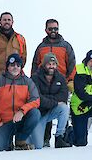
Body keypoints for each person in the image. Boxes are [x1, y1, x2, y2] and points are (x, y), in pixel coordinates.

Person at [31, 18, 76, 146]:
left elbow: (72, 63)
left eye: (55, 28)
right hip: (43, 81)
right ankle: (44, 138)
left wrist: (70, 80)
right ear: (46, 30)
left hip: (60, 81)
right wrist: (32, 81)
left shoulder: (65, 45)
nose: (53, 31)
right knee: (45, 108)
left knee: (63, 108)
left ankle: (61, 137)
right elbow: (35, 64)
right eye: (50, 29)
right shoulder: (41, 47)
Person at [0, 53, 40, 151]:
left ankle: (20, 140)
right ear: (7, 67)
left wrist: (22, 111)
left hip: (20, 120)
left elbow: (36, 100)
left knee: (35, 113)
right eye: (12, 65)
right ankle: (5, 139)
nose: (15, 68)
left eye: (18, 65)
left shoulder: (27, 82)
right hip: (3, 122)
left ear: (21, 67)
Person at [29, 53, 71, 149]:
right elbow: (37, 98)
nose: (51, 66)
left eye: (53, 64)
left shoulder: (61, 78)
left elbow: (63, 97)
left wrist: (47, 99)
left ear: (56, 65)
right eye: (49, 64)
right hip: (39, 114)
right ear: (44, 65)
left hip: (51, 111)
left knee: (64, 108)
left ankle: (59, 137)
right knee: (37, 145)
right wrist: (54, 102)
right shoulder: (35, 77)